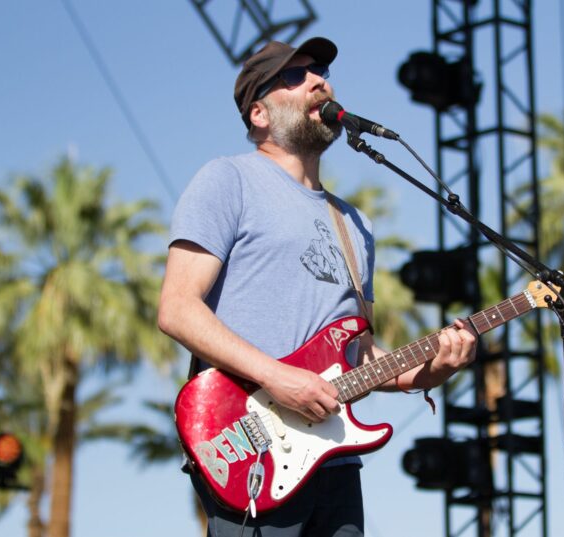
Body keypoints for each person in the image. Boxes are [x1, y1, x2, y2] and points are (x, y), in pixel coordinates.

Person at [157, 36, 477, 537]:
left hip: (334, 459)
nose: (318, 80)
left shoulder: (354, 224)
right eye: (295, 75)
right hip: (251, 449)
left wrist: (432, 370)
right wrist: (280, 379)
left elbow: (362, 357)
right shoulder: (228, 180)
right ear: (259, 113)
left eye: (320, 71)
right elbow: (177, 308)